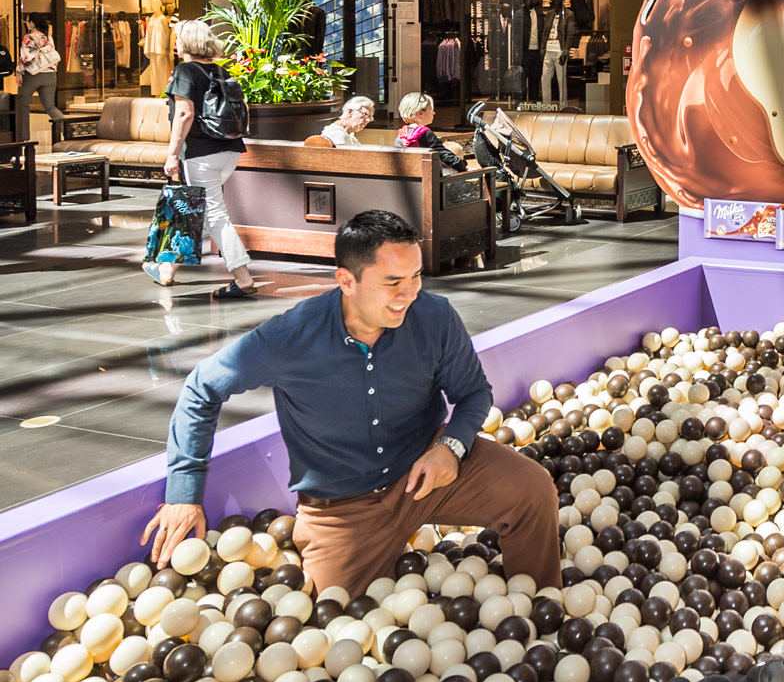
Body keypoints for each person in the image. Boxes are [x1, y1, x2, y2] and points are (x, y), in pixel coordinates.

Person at [146, 207, 560, 594]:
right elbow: (202, 387)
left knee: (533, 489)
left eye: (416, 276)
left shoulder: (435, 318)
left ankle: (544, 609)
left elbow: (472, 394)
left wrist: (449, 449)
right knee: (331, 622)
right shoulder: (289, 338)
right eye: (392, 282)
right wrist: (183, 494)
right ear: (346, 281)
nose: (409, 293)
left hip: (427, 474)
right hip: (342, 511)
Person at [149, 16, 257, 297]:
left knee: (215, 216)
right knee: (187, 204)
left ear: (186, 42)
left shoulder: (185, 71)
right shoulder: (220, 71)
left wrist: (172, 154)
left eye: (177, 38)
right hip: (228, 151)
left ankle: (243, 276)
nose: (175, 42)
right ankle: (166, 268)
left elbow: (184, 114)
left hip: (200, 154)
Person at [395, 90, 470, 171]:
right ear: (420, 113)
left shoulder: (401, 135)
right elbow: (446, 156)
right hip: (427, 177)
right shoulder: (425, 134)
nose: (433, 113)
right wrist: (462, 165)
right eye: (431, 109)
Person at [17, 15, 68, 131]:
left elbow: (25, 58)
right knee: (50, 107)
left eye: (27, 21)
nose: (26, 23)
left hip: (32, 75)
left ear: (32, 23)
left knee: (22, 105)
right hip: (50, 75)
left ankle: (23, 137)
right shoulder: (49, 37)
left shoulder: (28, 37)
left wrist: (18, 73)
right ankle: (67, 131)